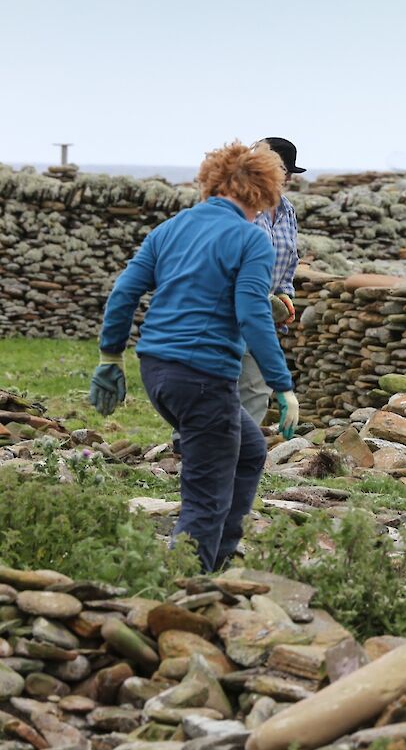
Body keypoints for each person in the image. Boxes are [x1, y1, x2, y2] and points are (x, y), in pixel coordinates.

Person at [89, 140, 300, 572]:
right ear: (266, 189)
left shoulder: (169, 228)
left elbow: (125, 292)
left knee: (249, 449)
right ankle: (184, 587)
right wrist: (282, 385)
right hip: (204, 378)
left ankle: (219, 557)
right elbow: (253, 315)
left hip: (157, 372)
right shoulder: (250, 239)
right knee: (207, 492)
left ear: (211, 181)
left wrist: (110, 359)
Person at [240, 136, 304, 428]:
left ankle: (238, 452)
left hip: (263, 312)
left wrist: (284, 294)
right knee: (216, 380)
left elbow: (289, 260)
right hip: (229, 307)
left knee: (256, 387)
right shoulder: (238, 206)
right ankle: (191, 448)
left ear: (285, 175)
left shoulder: (287, 210)